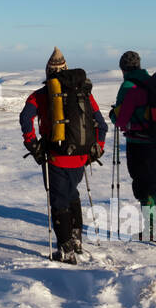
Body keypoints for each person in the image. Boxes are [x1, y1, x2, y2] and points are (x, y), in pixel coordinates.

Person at [19, 47, 107, 263]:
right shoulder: (84, 94)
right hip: (80, 157)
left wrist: (32, 144)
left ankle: (65, 249)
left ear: (48, 72)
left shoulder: (40, 95)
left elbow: (25, 118)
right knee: (72, 194)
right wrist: (97, 148)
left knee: (59, 202)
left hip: (56, 157)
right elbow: (101, 124)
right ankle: (76, 239)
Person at [110, 50, 156, 240]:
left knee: (143, 187)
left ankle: (152, 229)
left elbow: (119, 118)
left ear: (123, 68)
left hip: (138, 142)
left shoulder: (128, 86)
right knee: (153, 186)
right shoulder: (151, 82)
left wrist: (113, 115)